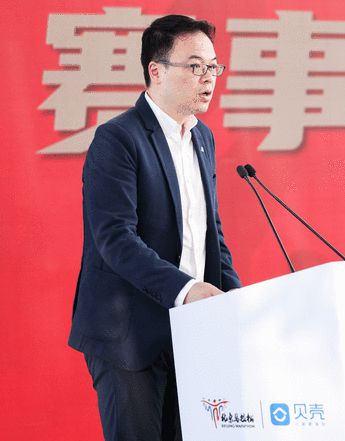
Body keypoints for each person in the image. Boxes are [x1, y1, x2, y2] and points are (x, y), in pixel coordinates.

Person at [68, 15, 241, 440]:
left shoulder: (202, 138)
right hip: (129, 333)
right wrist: (187, 289)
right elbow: (115, 239)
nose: (208, 77)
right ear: (156, 71)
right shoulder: (118, 139)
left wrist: (238, 299)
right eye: (195, 66)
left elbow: (209, 232)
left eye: (213, 66)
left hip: (191, 333)